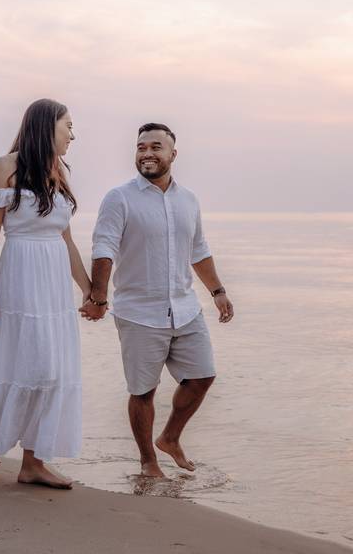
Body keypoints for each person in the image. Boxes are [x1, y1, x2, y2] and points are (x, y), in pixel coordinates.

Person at [81, 123, 234, 478]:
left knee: (202, 376)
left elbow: (198, 250)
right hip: (139, 312)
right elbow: (104, 247)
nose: (147, 153)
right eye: (140, 147)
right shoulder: (119, 198)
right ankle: (148, 461)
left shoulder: (188, 200)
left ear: (173, 155)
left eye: (155, 147)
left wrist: (218, 292)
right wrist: (99, 297)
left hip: (185, 308)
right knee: (143, 391)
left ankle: (170, 438)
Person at [0, 98, 91, 490]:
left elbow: (65, 238)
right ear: (46, 125)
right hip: (21, 276)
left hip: (53, 283)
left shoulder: (59, 172)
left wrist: (90, 291)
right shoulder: (5, 166)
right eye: (68, 125)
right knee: (25, 362)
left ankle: (33, 461)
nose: (73, 134)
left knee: (52, 369)